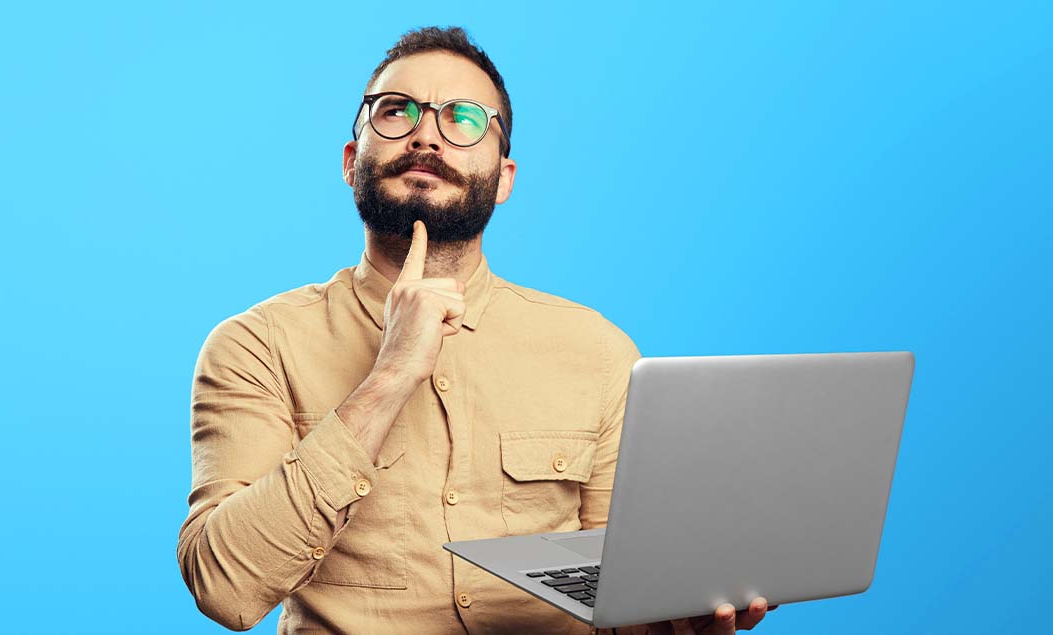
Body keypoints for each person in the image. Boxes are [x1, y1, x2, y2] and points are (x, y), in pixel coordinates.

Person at [177, 26, 774, 634]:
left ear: (504, 178)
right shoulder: (257, 346)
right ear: (351, 162)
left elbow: (620, 601)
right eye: (396, 110)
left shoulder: (597, 351)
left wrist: (679, 618)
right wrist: (389, 376)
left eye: (463, 118)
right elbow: (226, 588)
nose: (426, 134)